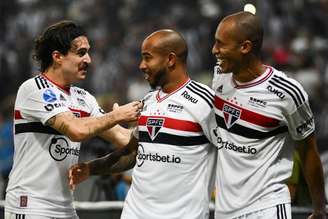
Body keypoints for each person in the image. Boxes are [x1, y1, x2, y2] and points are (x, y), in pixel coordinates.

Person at [69, 29, 217, 219]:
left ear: (170, 59)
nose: (141, 65)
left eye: (148, 58)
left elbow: (230, 152)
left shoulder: (205, 102)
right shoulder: (148, 101)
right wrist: (91, 168)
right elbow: (132, 153)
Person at [5, 20, 142, 219]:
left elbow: (123, 138)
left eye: (88, 52)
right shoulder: (34, 88)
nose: (89, 59)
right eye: (81, 53)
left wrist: (155, 129)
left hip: (65, 208)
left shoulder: (83, 98)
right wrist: (116, 115)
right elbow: (75, 130)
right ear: (58, 57)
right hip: (30, 205)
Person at [210, 11, 326, 219]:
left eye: (220, 44)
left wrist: (319, 208)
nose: (214, 50)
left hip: (267, 208)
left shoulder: (288, 93)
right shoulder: (219, 75)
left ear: (245, 47)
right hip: (224, 210)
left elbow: (308, 151)